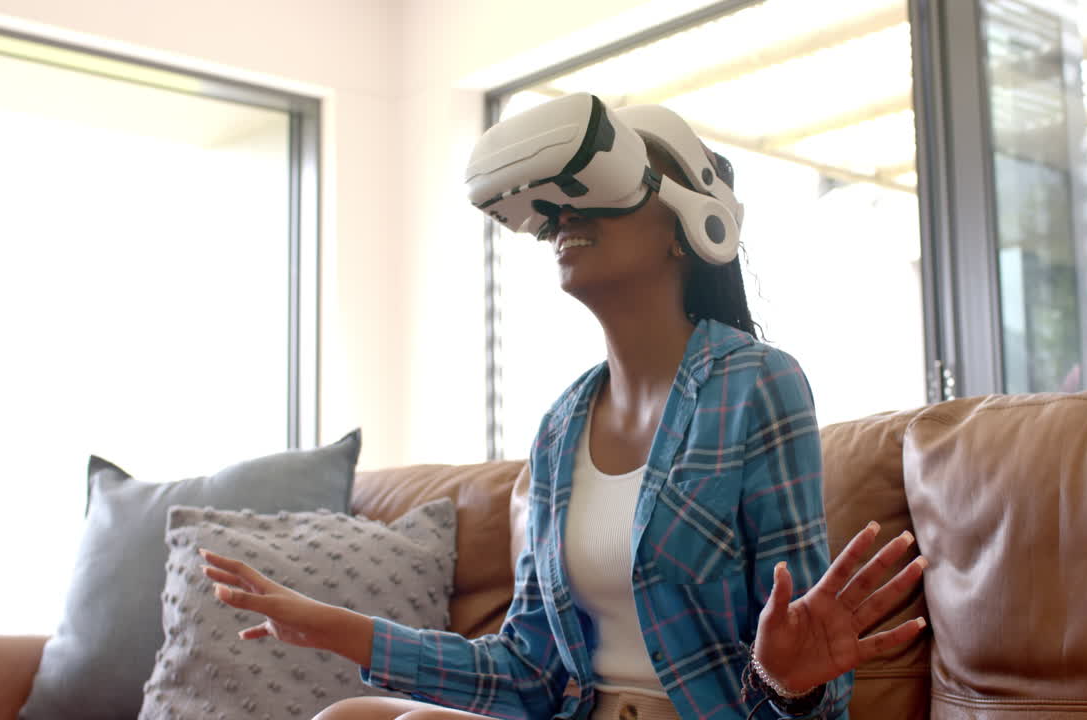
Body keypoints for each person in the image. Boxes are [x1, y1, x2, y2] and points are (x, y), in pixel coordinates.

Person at [200, 98, 928, 720]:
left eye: (600, 187)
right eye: (559, 201)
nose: (565, 214)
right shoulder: (562, 423)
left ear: (688, 227)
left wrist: (784, 682)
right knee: (351, 717)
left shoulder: (757, 385)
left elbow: (811, 673)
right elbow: (528, 671)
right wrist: (340, 628)